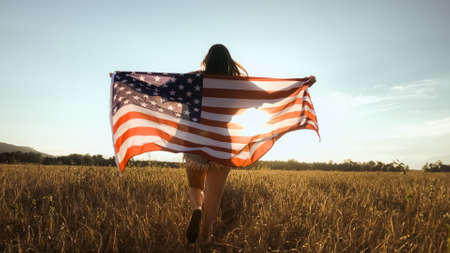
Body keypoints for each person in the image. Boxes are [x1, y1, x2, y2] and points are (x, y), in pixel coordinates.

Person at [185, 44, 248, 243]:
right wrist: (302, 84)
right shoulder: (237, 84)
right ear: (229, 61)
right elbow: (268, 96)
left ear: (207, 59)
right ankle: (205, 237)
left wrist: (122, 79)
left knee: (196, 186)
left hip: (196, 139)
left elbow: (162, 89)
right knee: (214, 195)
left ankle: (197, 209)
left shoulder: (193, 80)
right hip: (222, 141)